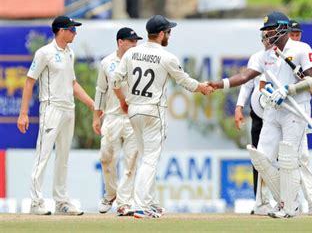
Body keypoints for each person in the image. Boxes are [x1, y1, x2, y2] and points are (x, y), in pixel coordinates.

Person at [211, 11, 312, 218]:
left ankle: (290, 206)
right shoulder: (265, 55)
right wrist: (219, 84)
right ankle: (282, 201)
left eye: (270, 30)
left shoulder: (302, 49)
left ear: (283, 28)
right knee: (263, 159)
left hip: (296, 109)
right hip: (273, 111)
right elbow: (245, 77)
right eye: (265, 31)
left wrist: (289, 89)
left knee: (289, 158)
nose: (266, 34)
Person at [111, 15, 214, 219]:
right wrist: (201, 87)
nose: (169, 36)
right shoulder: (167, 57)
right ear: (160, 34)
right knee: (150, 159)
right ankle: (141, 206)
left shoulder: (131, 53)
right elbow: (184, 80)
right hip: (153, 111)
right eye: (168, 32)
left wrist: (123, 99)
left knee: (144, 157)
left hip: (134, 111)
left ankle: (148, 202)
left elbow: (115, 80)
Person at [17, 16, 94, 215]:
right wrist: (23, 113)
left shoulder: (70, 53)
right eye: (72, 30)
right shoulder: (44, 53)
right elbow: (29, 82)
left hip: (69, 109)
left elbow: (73, 84)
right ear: (61, 31)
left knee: (63, 157)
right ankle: (36, 202)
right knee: (43, 155)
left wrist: (93, 104)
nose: (75, 33)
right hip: (51, 108)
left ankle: (62, 202)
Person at [93, 27, 142, 216]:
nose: (135, 45)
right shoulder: (107, 63)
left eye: (136, 41)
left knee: (130, 161)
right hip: (112, 117)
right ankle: (111, 193)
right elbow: (100, 90)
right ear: (120, 42)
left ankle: (124, 203)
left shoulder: (138, 61)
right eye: (131, 41)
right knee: (106, 158)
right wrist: (96, 116)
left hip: (132, 118)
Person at [234, 33, 272, 215]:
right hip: (258, 115)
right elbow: (247, 84)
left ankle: (283, 200)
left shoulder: (283, 59)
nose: (268, 41)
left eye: (271, 37)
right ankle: (260, 202)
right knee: (258, 158)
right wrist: (239, 106)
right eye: (265, 37)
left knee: (280, 159)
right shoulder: (257, 58)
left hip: (278, 116)